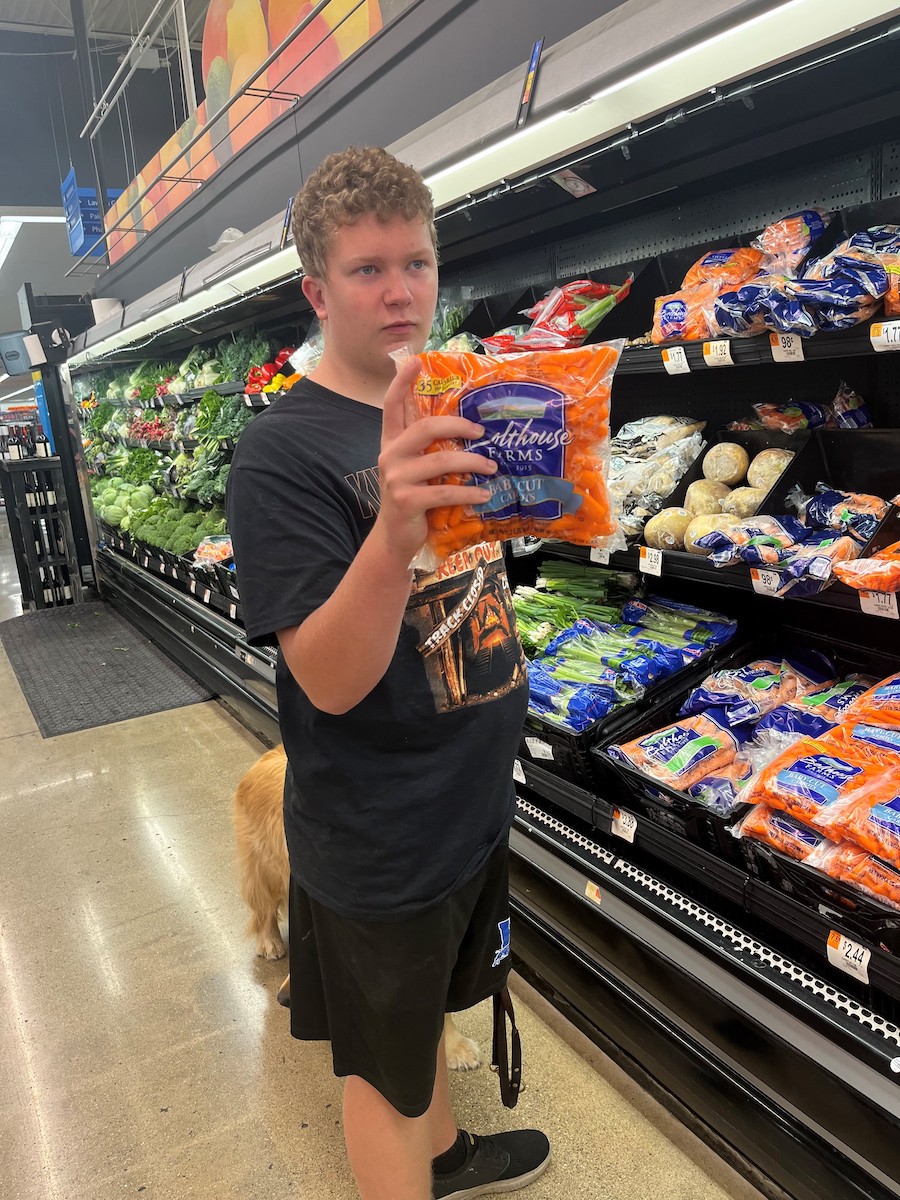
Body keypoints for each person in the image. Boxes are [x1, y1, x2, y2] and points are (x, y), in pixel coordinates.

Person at [226, 145, 550, 1200]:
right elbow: (323, 677)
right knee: (384, 1074)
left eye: (416, 260)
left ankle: (448, 1158)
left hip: (467, 798)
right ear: (317, 290)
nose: (401, 290)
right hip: (380, 832)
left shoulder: (454, 397)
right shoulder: (281, 454)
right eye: (368, 270)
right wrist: (395, 529)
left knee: (426, 1033)